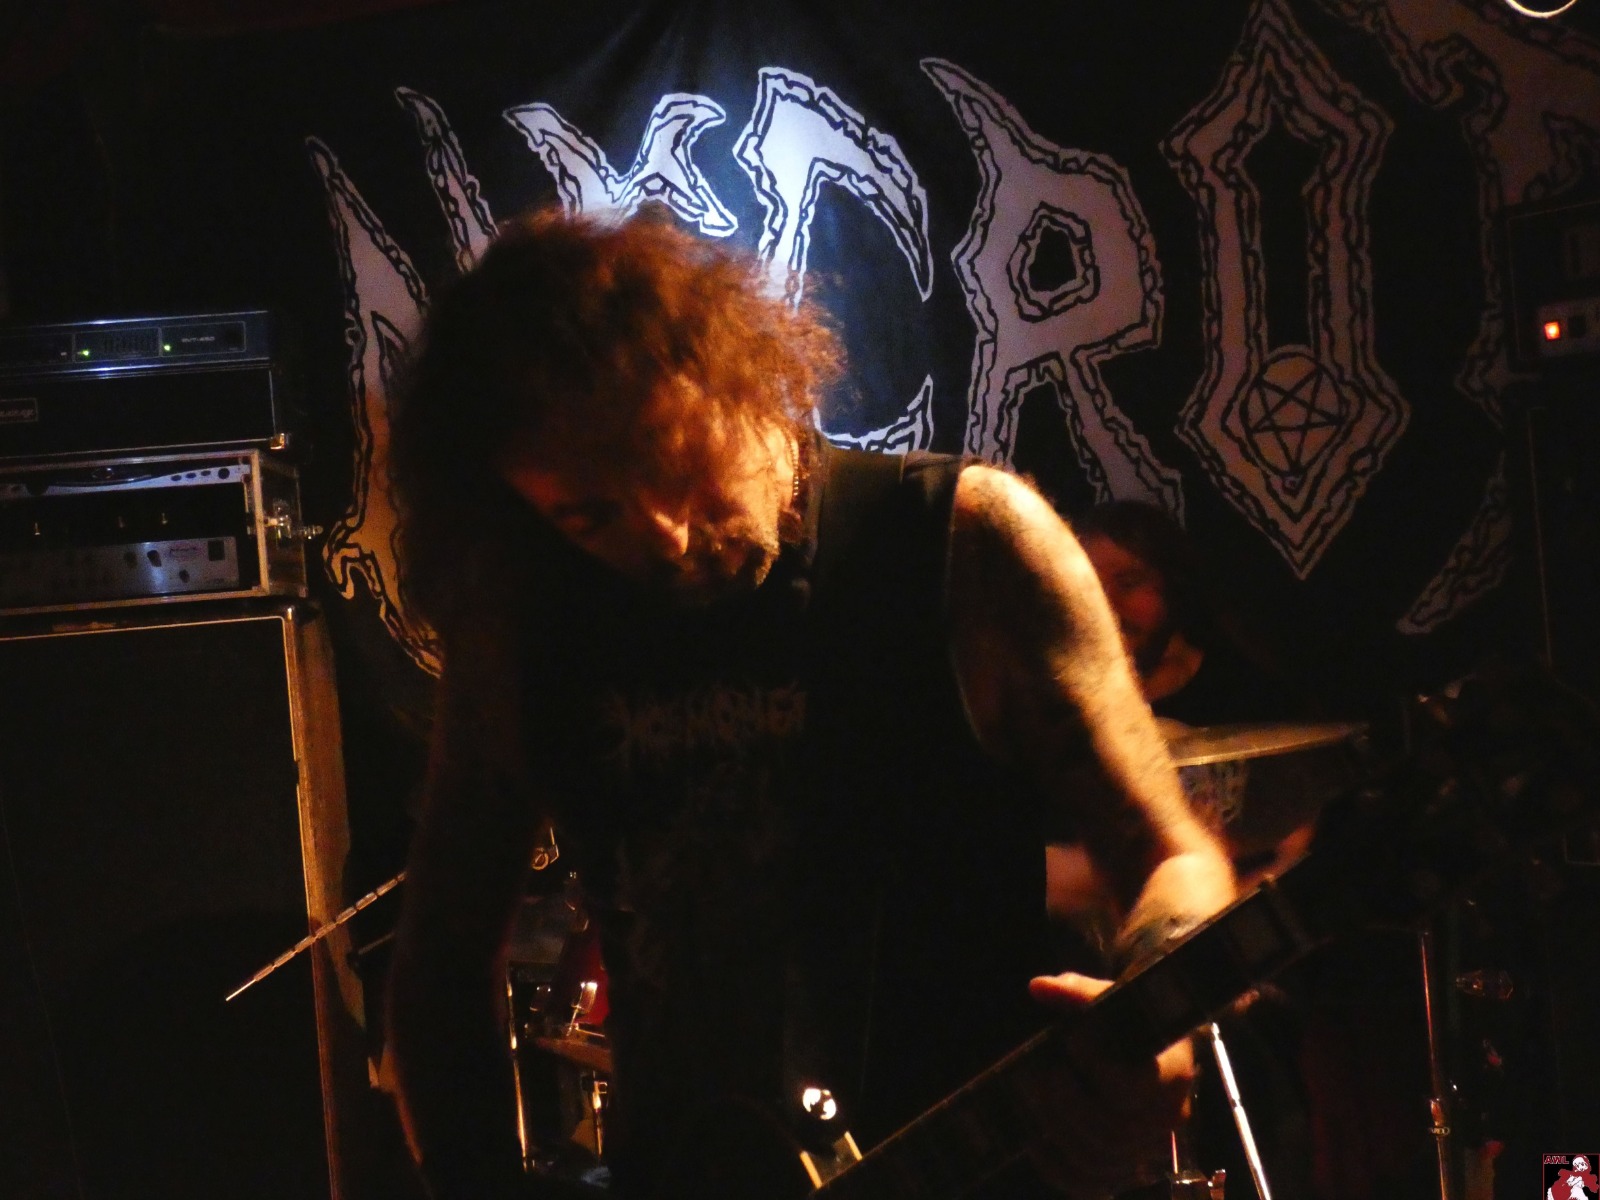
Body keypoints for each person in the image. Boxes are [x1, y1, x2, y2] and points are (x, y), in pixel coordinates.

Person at [381, 205, 1237, 1199]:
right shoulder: (531, 633)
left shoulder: (961, 544)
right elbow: (440, 965)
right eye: (587, 514)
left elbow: (1173, 858)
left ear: (726, 371)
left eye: (666, 455)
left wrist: (1156, 1021)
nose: (661, 533)